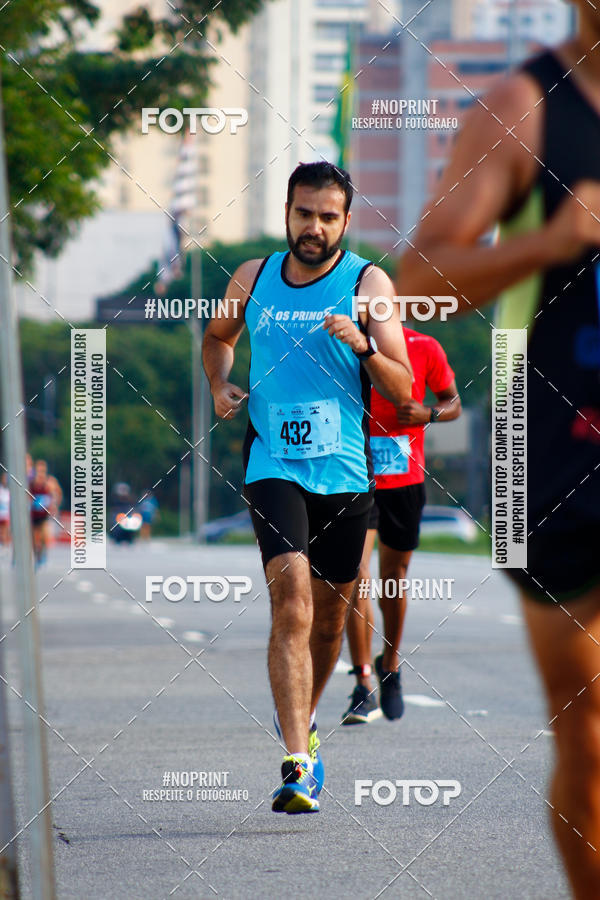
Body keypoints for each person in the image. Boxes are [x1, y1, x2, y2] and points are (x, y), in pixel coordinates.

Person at [398, 3, 600, 894]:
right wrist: (552, 243)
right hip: (557, 461)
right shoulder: (527, 107)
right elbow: (416, 284)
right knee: (590, 732)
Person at [203, 161, 413, 814]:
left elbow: (404, 391)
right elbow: (217, 336)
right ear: (287, 212)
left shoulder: (367, 283)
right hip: (274, 464)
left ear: (346, 221)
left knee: (328, 629)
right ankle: (296, 760)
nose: (313, 228)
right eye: (304, 214)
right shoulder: (254, 276)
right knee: (290, 599)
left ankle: (308, 722)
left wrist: (364, 348)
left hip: (347, 475)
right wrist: (219, 384)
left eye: (328, 217)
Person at [342, 328, 461, 724]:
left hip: (404, 479)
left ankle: (389, 663)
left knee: (393, 577)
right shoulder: (343, 343)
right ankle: (362, 685)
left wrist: (429, 414)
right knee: (356, 575)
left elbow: (453, 403)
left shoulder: (425, 346)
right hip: (353, 475)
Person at [29, 459, 55, 565]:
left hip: (44, 515)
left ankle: (43, 551)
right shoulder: (32, 484)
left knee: (44, 535)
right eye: (39, 471)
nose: (41, 473)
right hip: (34, 515)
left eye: (43, 470)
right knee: (34, 538)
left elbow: (55, 496)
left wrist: (53, 506)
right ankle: (36, 554)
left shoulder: (49, 483)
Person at [0, 472, 10, 547]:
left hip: (6, 513)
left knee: (6, 529)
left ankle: (5, 543)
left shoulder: (9, 490)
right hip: (1, 512)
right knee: (1, 529)